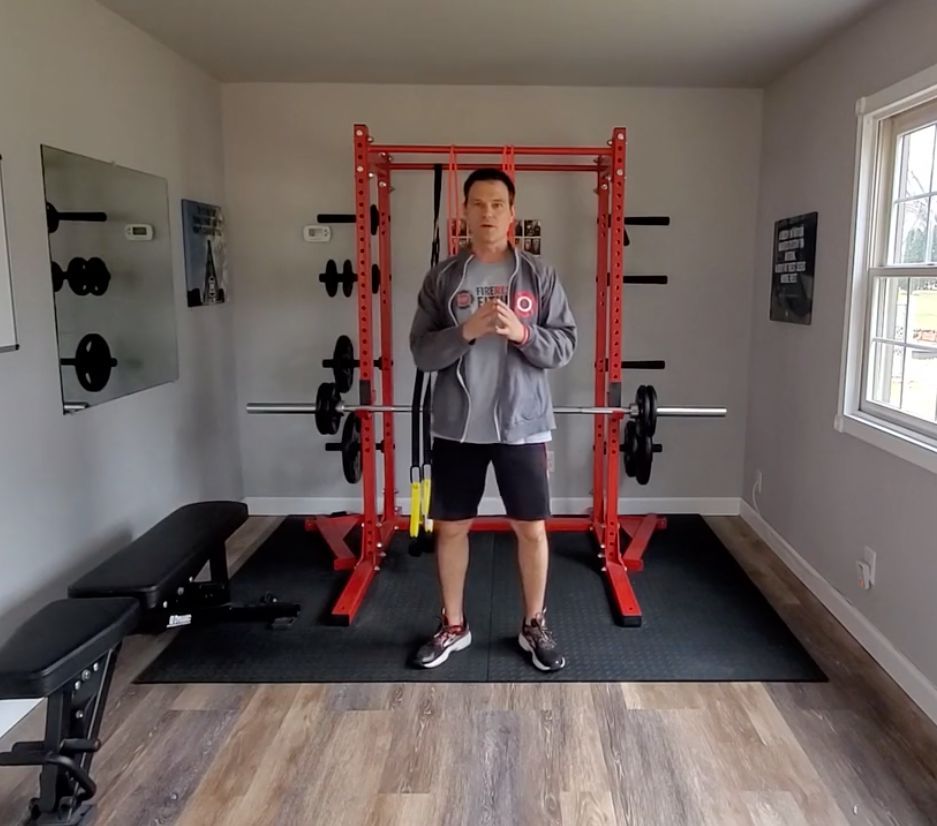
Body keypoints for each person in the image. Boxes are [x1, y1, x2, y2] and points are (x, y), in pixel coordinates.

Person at [408, 167, 577, 672]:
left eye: (497, 204)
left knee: (531, 530)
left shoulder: (539, 275)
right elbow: (421, 352)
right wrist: (465, 331)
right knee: (451, 529)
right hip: (457, 427)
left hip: (522, 426)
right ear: (464, 212)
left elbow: (564, 345)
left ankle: (534, 625)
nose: (487, 213)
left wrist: (523, 334)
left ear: (511, 213)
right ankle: (454, 626)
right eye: (478, 204)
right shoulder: (443, 278)